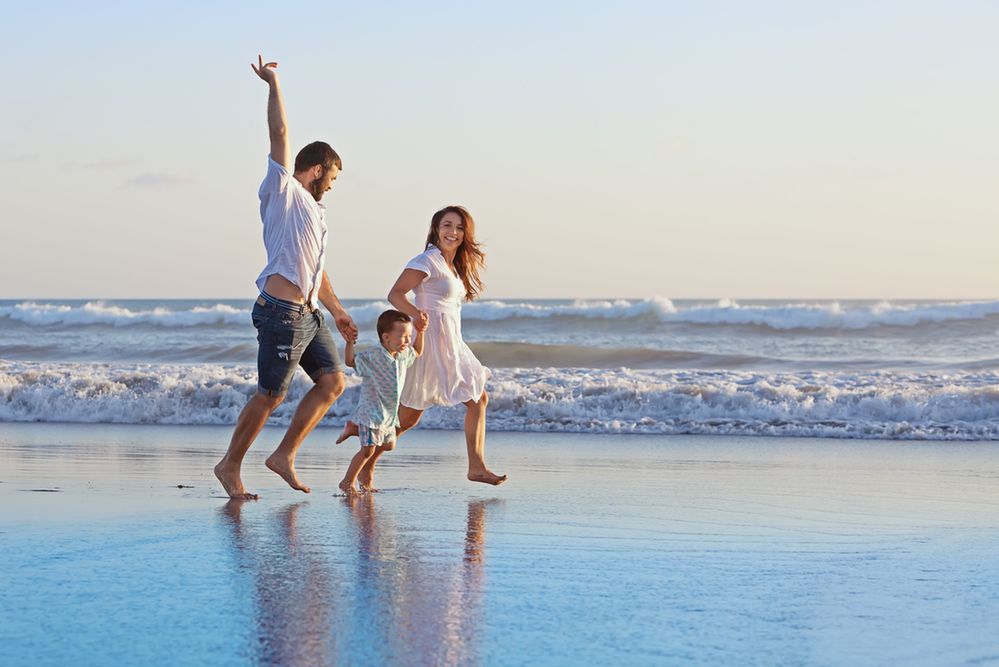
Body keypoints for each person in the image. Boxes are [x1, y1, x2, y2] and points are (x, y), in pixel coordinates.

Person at [214, 55, 358, 500]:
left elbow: (315, 267)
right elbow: (279, 133)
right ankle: (229, 466)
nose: (330, 187)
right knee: (271, 395)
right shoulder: (284, 192)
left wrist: (336, 312)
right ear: (316, 170)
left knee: (333, 382)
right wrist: (273, 84)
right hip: (280, 312)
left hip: (308, 314)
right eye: (329, 179)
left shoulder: (314, 212)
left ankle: (283, 456)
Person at [340, 206, 507, 486]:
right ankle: (365, 465)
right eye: (446, 225)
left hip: (451, 343)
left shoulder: (452, 267)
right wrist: (415, 314)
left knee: (477, 399)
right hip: (428, 343)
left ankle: (476, 467)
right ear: (436, 229)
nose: (452, 232)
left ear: (466, 233)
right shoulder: (428, 260)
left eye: (459, 227)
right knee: (407, 418)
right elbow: (395, 294)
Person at [337, 310, 426, 495]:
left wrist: (421, 332)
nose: (408, 341)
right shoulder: (374, 356)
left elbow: (417, 352)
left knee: (389, 445)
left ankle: (354, 428)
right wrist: (349, 343)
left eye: (409, 336)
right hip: (372, 412)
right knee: (368, 451)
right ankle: (347, 482)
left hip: (388, 414)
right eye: (403, 337)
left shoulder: (403, 354)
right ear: (386, 337)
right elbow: (350, 361)